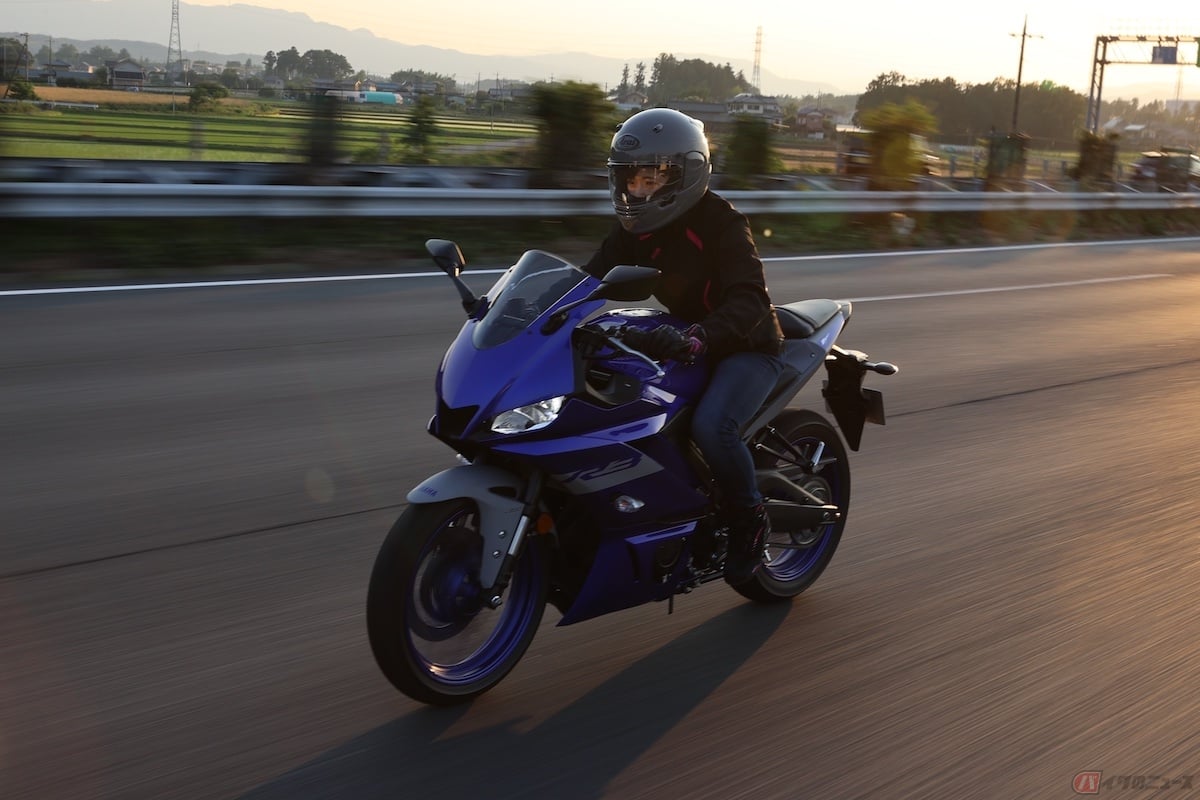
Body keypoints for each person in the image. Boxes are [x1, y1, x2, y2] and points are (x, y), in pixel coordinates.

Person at [584, 107, 785, 586]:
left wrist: (700, 337)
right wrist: (530, 311)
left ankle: (751, 523)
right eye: (629, 179)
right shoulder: (636, 229)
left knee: (713, 428)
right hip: (680, 340)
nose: (637, 189)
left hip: (745, 347)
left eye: (650, 178)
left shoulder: (723, 223)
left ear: (685, 174)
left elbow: (750, 299)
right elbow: (588, 280)